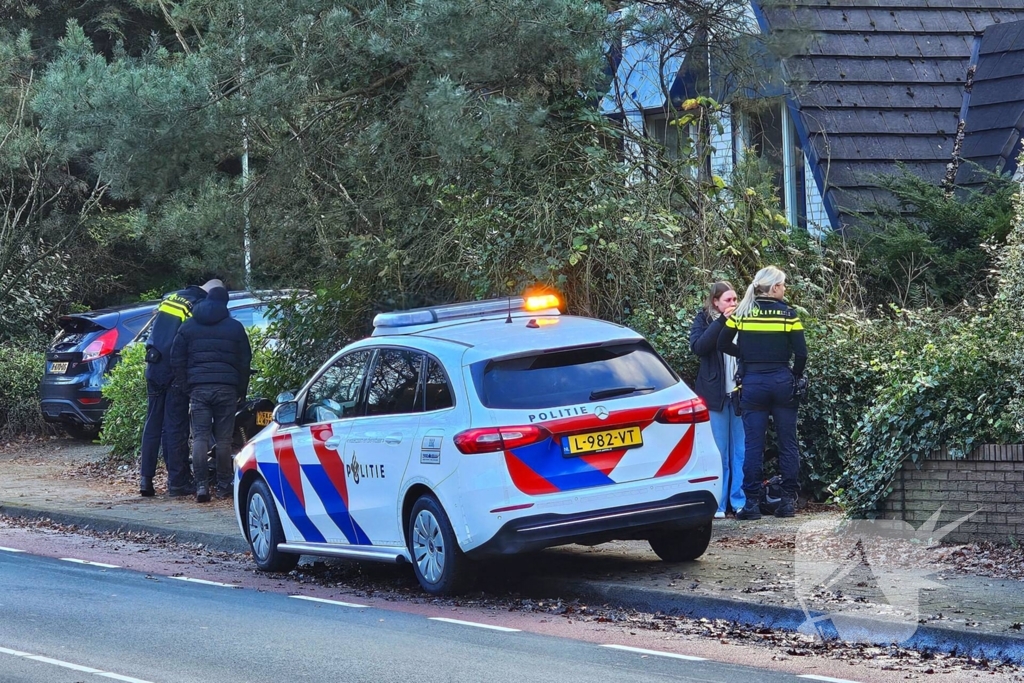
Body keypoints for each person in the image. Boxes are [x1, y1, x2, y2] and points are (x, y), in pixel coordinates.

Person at [717, 266, 807, 520]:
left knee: (753, 446)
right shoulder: (789, 315)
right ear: (775, 287)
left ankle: (752, 505)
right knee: (788, 443)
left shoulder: (743, 314)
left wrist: (746, 356)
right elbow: (801, 353)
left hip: (753, 383)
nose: (785, 289)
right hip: (781, 381)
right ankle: (787, 503)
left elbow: (722, 343)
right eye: (784, 285)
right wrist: (795, 375)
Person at [170, 283, 251, 503]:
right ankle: (224, 486)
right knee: (224, 440)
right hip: (226, 388)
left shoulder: (187, 327)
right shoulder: (235, 328)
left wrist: (187, 386)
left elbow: (176, 359)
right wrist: (240, 390)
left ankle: (202, 486)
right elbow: (245, 361)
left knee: (200, 438)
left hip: (199, 389)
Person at [139, 283, 208, 497]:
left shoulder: (171, 299)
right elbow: (191, 340)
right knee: (175, 426)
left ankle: (145, 480)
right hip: (173, 370)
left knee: (153, 424)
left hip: (154, 365)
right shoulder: (197, 305)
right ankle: (178, 482)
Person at [689, 281, 745, 519]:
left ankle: (739, 501)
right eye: (728, 300)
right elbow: (699, 347)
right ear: (715, 302)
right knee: (719, 452)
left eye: (735, 300)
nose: (733, 304)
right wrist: (722, 321)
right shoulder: (703, 319)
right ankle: (719, 504)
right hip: (715, 395)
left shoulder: (745, 317)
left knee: (741, 451)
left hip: (741, 393)